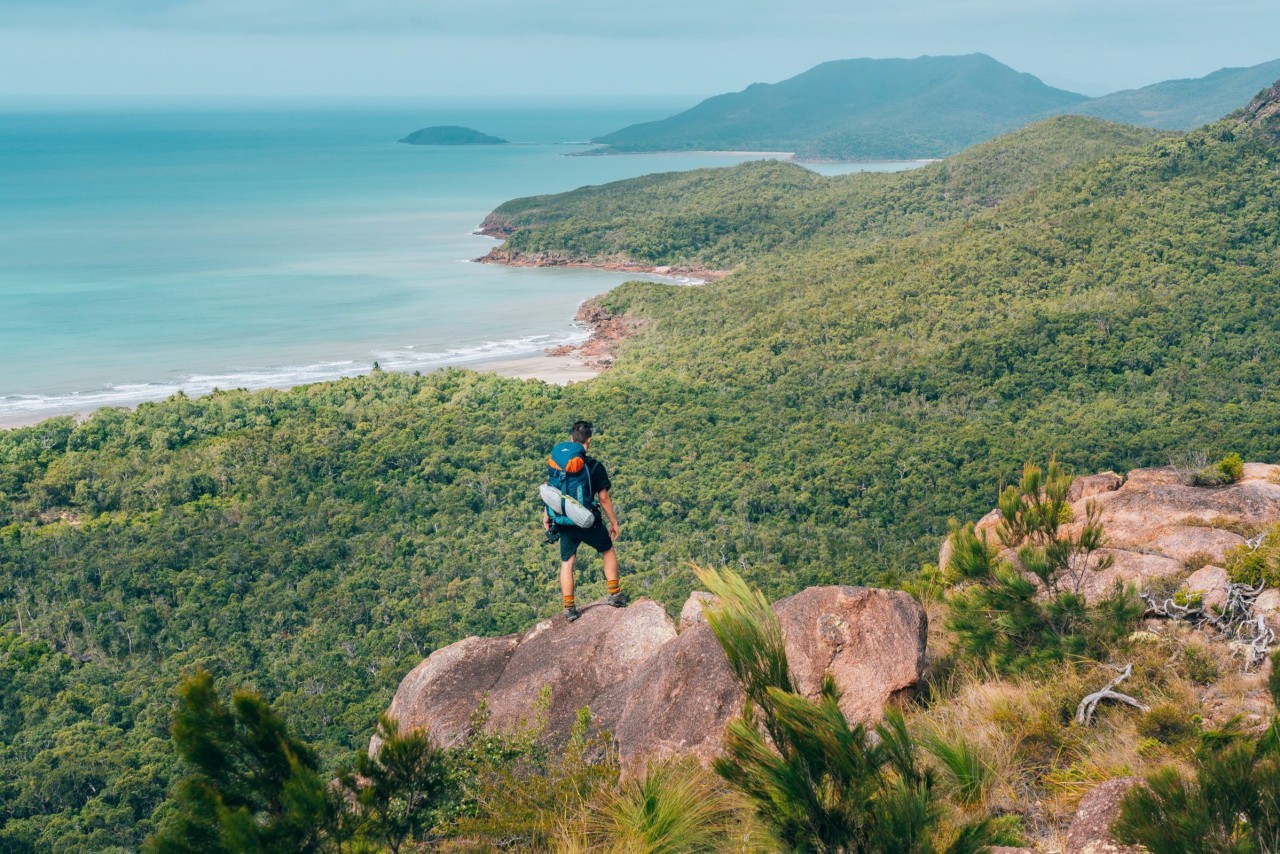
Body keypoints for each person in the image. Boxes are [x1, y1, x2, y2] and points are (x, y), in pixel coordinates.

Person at [543, 420, 627, 622]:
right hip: (587, 520)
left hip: (563, 520)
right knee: (607, 550)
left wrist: (547, 515)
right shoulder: (595, 465)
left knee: (567, 563)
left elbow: (553, 491)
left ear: (572, 440)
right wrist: (614, 522)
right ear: (589, 441)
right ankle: (615, 595)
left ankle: (569, 608)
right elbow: (604, 498)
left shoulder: (559, 464)